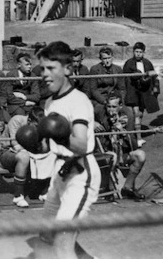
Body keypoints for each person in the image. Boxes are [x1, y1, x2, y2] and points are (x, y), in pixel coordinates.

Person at [16, 41, 100, 259]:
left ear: (68, 69)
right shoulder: (50, 103)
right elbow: (48, 145)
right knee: (46, 236)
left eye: (51, 68)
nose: (44, 74)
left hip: (81, 175)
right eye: (42, 69)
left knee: (63, 242)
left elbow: (80, 145)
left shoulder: (79, 101)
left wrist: (61, 134)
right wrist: (34, 143)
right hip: (60, 172)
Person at [94, 92, 146, 200]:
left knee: (140, 155)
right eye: (108, 106)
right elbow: (82, 115)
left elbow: (134, 144)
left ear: (120, 106)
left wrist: (123, 132)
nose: (111, 110)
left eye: (114, 107)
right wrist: (92, 122)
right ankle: (109, 189)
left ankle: (127, 187)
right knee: (112, 155)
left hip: (122, 153)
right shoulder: (99, 110)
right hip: (105, 151)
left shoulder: (127, 115)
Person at [0, 106, 46, 208]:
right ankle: (18, 196)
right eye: (36, 125)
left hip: (27, 152)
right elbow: (16, 146)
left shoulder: (39, 125)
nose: (38, 129)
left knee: (48, 155)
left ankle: (43, 192)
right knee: (24, 156)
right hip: (7, 152)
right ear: (29, 120)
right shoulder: (16, 120)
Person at [122, 42, 160, 135]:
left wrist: (155, 88)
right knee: (136, 113)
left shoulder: (147, 63)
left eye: (140, 52)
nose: (138, 53)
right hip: (133, 90)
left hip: (144, 90)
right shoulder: (128, 63)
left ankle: (136, 132)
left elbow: (154, 76)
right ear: (133, 52)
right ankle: (137, 136)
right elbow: (124, 78)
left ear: (143, 52)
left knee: (140, 113)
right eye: (136, 51)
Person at [6, 52, 39, 117]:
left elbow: (37, 96)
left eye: (30, 64)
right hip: (15, 105)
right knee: (21, 115)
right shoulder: (11, 75)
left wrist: (24, 96)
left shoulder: (33, 76)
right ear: (19, 65)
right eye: (27, 64)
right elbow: (9, 96)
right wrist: (24, 102)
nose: (29, 67)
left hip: (29, 105)